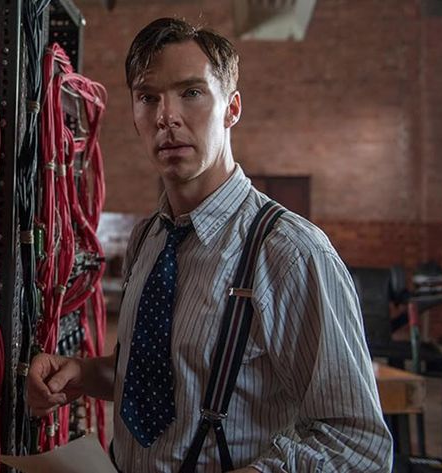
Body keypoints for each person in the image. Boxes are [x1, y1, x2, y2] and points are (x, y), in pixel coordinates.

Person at [27, 17, 392, 472]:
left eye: (191, 93)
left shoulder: (290, 253)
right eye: (148, 98)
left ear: (231, 108)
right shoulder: (149, 237)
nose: (167, 117)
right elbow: (160, 380)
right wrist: (82, 373)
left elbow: (357, 444)